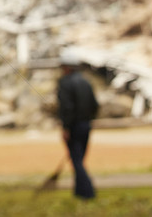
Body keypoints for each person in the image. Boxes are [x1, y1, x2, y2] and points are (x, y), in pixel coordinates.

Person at [56, 50, 99, 200]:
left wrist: (66, 127)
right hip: (86, 124)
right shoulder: (86, 82)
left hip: (74, 126)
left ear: (67, 67)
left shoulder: (65, 83)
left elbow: (66, 107)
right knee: (80, 158)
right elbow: (95, 105)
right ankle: (79, 190)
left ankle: (87, 191)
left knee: (76, 159)